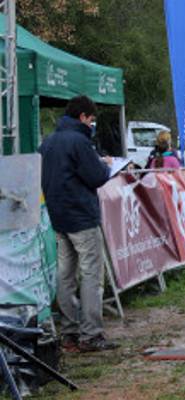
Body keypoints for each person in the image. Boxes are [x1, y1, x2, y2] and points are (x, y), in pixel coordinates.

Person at [38, 95, 118, 352]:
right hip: (81, 216)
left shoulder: (48, 141)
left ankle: (69, 333)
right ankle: (91, 333)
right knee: (92, 275)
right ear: (83, 116)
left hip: (58, 217)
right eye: (92, 119)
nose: (92, 124)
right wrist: (105, 166)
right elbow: (95, 177)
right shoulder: (80, 142)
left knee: (65, 276)